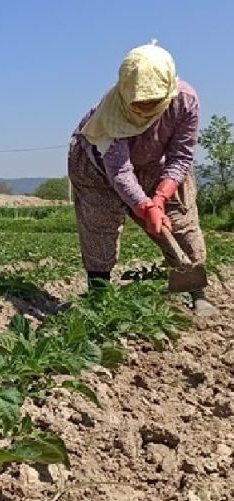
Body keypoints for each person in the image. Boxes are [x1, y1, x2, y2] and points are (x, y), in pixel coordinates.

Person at [69, 41, 218, 316]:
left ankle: (196, 293)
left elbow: (181, 157)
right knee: (100, 225)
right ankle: (99, 299)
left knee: (180, 221)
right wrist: (145, 206)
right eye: (139, 103)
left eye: (153, 102)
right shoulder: (110, 112)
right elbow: (120, 171)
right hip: (100, 169)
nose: (144, 109)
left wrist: (160, 198)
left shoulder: (185, 101)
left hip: (156, 164)